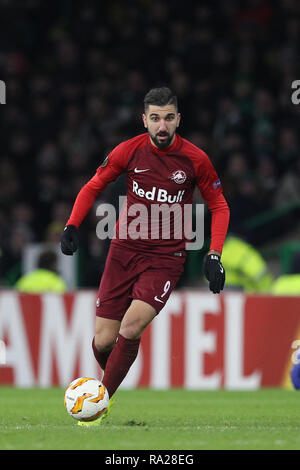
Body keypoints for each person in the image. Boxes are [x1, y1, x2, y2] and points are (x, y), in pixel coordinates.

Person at [60, 87, 230, 424]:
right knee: (104, 341)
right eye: (155, 118)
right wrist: (72, 224)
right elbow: (94, 185)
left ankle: (98, 405)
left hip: (166, 258)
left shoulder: (196, 159)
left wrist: (214, 254)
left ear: (178, 119)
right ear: (145, 120)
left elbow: (219, 205)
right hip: (124, 250)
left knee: (132, 325)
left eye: (168, 118)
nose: (162, 125)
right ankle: (112, 376)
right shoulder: (129, 151)